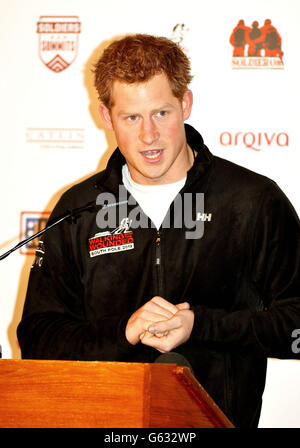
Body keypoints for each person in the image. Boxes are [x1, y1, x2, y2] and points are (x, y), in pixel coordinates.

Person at [17, 34, 300, 428]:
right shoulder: (78, 209)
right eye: (131, 117)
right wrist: (125, 331)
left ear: (185, 103)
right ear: (106, 116)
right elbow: (38, 340)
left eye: (161, 113)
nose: (148, 136)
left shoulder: (251, 201)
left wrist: (201, 325)